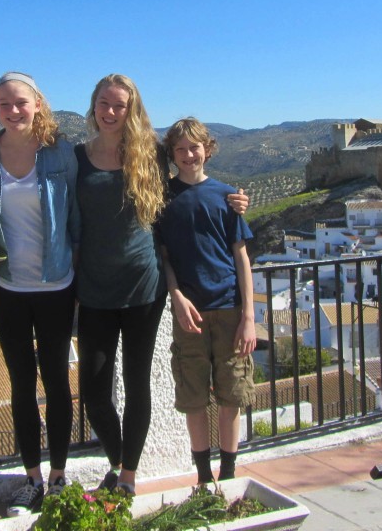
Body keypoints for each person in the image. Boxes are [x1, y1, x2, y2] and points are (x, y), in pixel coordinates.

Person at [75, 74, 249, 495]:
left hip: (143, 287)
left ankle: (128, 477)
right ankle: (117, 461)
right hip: (94, 288)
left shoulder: (150, 153)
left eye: (120, 105)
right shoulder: (75, 157)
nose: (111, 111)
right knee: (94, 392)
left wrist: (236, 201)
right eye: (104, 103)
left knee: (137, 384)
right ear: (94, 105)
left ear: (132, 110)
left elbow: (193, 187)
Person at [0, 72, 79, 516]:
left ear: (37, 104)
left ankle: (57, 475)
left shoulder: (62, 154)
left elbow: (80, 212)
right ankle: (30, 477)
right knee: (20, 382)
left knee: (55, 379)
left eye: (20, 103)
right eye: (3, 104)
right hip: (6, 284)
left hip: (57, 283)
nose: (13, 111)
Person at [157, 117, 257, 485]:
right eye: (180, 149)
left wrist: (249, 316)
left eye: (194, 147)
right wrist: (177, 297)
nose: (187, 154)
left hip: (230, 310)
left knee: (231, 394)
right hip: (190, 314)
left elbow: (241, 258)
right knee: (193, 396)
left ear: (207, 150)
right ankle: (202, 478)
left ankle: (228, 475)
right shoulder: (163, 199)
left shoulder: (227, 196)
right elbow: (165, 257)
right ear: (172, 154)